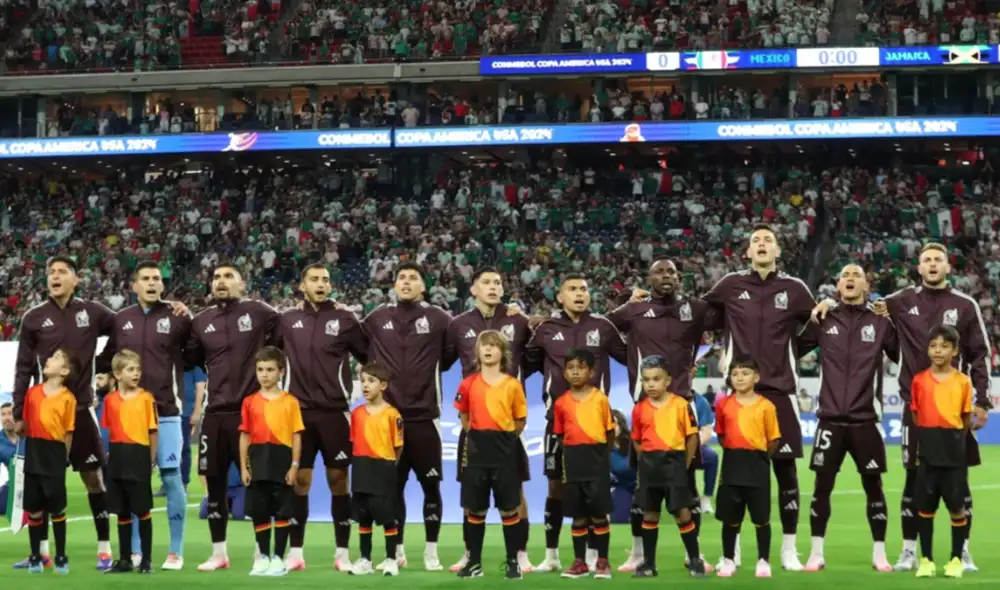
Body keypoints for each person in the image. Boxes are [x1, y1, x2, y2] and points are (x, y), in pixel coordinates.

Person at [812, 243, 991, 572]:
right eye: (927, 260)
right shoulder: (899, 301)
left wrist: (981, 400)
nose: (932, 264)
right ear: (919, 268)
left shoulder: (965, 305)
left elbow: (980, 354)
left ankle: (963, 551)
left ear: (947, 267)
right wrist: (829, 302)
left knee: (958, 480)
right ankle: (909, 550)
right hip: (915, 407)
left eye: (938, 260)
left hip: (955, 409)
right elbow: (861, 304)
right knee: (913, 478)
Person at [702, 225, 816, 571]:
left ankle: (788, 550)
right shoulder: (731, 285)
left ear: (778, 250)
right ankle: (732, 551)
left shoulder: (795, 289)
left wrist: (792, 352)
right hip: (739, 394)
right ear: (748, 252)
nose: (762, 244)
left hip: (780, 392)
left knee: (786, 471)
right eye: (756, 241)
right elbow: (701, 313)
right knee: (735, 472)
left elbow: (818, 324)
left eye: (768, 240)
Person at [611, 259, 721, 572]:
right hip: (645, 407)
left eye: (671, 271)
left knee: (688, 487)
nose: (666, 276)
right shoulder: (635, 309)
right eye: (659, 271)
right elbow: (604, 328)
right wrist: (630, 358)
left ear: (679, 277)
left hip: (682, 405)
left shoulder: (695, 309)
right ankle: (638, 554)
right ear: (649, 278)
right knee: (641, 488)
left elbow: (731, 317)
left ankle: (693, 555)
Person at [12, 256, 117, 570]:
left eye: (61, 272)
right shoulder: (34, 317)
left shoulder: (93, 312)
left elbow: (124, 327)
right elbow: (23, 367)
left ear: (75, 279)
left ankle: (104, 548)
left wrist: (105, 362)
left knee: (93, 478)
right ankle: (42, 553)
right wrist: (18, 411)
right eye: (51, 272)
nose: (54, 277)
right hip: (43, 414)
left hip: (81, 409)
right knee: (43, 482)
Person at [795, 264, 898, 572]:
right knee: (821, 488)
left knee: (874, 487)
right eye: (844, 276)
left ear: (866, 285)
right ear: (838, 286)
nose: (850, 279)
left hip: (866, 420)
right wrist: (814, 311)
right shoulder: (825, 319)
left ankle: (880, 553)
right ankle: (816, 553)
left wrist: (893, 315)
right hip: (829, 420)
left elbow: (904, 355)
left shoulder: (880, 322)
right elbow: (793, 347)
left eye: (857, 275)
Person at [524, 273, 627, 572]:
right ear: (560, 297)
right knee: (555, 488)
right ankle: (551, 555)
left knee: (594, 490)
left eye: (583, 288)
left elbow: (630, 357)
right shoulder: (546, 329)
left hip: (594, 427)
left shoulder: (603, 327)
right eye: (572, 289)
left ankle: (594, 555)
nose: (579, 293)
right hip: (557, 423)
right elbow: (525, 364)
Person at [96, 260, 192, 571]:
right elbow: (107, 358)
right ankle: (135, 551)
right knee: (132, 482)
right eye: (146, 278)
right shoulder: (121, 319)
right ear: (134, 285)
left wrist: (189, 314)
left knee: (171, 477)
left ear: (162, 285)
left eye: (156, 279)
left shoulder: (178, 318)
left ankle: (175, 551)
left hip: (166, 411)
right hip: (129, 416)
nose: (152, 283)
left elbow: (196, 354)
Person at [361, 262, 456, 571]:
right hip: (388, 421)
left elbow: (451, 353)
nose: (406, 282)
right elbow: (361, 351)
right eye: (401, 277)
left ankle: (431, 552)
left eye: (413, 278)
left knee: (431, 487)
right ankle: (397, 550)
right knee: (393, 488)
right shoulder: (376, 319)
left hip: (426, 418)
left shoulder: (440, 319)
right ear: (394, 285)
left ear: (423, 286)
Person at [186, 263, 280, 572]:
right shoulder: (201, 321)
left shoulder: (260, 312)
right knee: (214, 483)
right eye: (216, 277)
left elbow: (287, 335)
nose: (221, 282)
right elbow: (189, 357)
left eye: (228, 277)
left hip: (251, 413)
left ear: (242, 284)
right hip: (215, 414)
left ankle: (261, 552)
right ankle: (219, 553)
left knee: (257, 483)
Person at [277, 263, 368, 572]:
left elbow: (368, 356)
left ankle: (342, 553)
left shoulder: (345, 319)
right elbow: (267, 354)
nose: (321, 284)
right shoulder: (287, 320)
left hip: (335, 413)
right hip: (298, 413)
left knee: (338, 479)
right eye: (314, 279)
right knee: (299, 480)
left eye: (325, 280)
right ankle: (295, 552)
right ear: (302, 285)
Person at [447, 268, 533, 574]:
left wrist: (529, 318)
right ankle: (471, 555)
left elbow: (538, 350)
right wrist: (473, 429)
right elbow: (443, 358)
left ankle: (520, 554)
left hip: (507, 430)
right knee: (473, 497)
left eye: (498, 282)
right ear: (473, 289)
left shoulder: (517, 320)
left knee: (515, 494)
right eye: (486, 282)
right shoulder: (458, 324)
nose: (493, 287)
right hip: (475, 431)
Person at [454, 330, 528, 580]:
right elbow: (464, 415)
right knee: (475, 509)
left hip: (504, 451)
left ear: (502, 352)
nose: (488, 349)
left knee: (509, 509)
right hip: (476, 451)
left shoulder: (513, 385)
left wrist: (503, 438)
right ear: (477, 351)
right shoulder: (468, 383)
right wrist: (477, 436)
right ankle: (474, 563)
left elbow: (520, 420)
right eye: (484, 345)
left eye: (494, 346)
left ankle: (513, 563)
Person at [629, 356, 704, 578]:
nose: (651, 384)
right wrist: (645, 460)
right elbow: (636, 439)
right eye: (646, 380)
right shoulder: (639, 409)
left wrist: (684, 464)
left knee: (682, 513)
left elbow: (692, 437)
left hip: (674, 464)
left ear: (668, 381)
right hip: (650, 466)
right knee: (650, 513)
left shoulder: (681, 405)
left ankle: (694, 560)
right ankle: (649, 564)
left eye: (656, 379)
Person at [910, 325, 973, 579]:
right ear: (927, 349)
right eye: (933, 346)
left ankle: (956, 560)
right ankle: (926, 560)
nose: (938, 351)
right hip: (928, 450)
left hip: (953, 452)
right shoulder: (919, 381)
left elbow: (966, 418)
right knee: (925, 508)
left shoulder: (963, 382)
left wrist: (951, 438)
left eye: (945, 346)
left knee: (957, 508)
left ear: (955, 351)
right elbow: (916, 415)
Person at [238, 346, 305, 577]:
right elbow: (245, 435)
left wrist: (294, 465)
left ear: (281, 372)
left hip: (282, 460)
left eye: (269, 370)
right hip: (258, 461)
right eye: (260, 370)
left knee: (283, 511)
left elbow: (296, 435)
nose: (264, 375)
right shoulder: (249, 402)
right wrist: (244, 466)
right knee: (260, 511)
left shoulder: (291, 402)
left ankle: (278, 557)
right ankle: (263, 557)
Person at [714, 357, 782, 579]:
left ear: (756, 377)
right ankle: (729, 559)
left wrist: (758, 458)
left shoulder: (766, 406)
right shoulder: (723, 405)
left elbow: (773, 440)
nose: (740, 378)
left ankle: (763, 560)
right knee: (730, 518)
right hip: (732, 465)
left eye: (745, 373)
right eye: (735, 374)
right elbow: (721, 435)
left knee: (761, 518)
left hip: (757, 466)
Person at [553, 348, 614, 580]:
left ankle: (603, 561)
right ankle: (579, 562)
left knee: (598, 514)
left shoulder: (600, 399)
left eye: (581, 367)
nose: (575, 372)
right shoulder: (561, 403)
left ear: (591, 372)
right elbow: (560, 435)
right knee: (577, 515)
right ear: (564, 373)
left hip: (596, 462)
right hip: (573, 462)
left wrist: (600, 455)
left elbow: (609, 432)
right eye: (570, 368)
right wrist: (574, 451)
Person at [22, 349, 80, 575]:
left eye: (56, 358)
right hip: (34, 450)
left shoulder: (68, 398)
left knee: (57, 507)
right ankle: (35, 556)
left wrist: (64, 457)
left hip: (54, 453)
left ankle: (61, 557)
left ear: (64, 371)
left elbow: (68, 432)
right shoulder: (32, 393)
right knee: (34, 508)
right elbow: (27, 424)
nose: (48, 360)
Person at [101, 349, 159, 575]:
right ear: (117, 374)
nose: (136, 374)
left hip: (138, 457)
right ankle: (124, 559)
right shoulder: (110, 400)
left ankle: (146, 560)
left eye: (138, 369)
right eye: (130, 369)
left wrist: (151, 460)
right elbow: (108, 431)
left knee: (142, 510)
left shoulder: (146, 398)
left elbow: (153, 430)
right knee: (122, 511)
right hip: (117, 458)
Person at [348, 363, 404, 577]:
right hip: (361, 469)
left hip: (382, 469)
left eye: (371, 381)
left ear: (383, 385)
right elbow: (354, 441)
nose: (365, 385)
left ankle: (391, 559)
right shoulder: (356, 414)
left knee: (387, 518)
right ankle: (365, 559)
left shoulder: (392, 414)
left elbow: (398, 446)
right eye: (363, 381)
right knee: (364, 518)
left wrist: (387, 465)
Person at [609, 410, 636, 525]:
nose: (612, 427)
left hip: (641, 486)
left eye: (615, 423)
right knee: (619, 521)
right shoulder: (603, 449)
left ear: (621, 425)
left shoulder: (633, 442)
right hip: (622, 487)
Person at [182, 367, 207, 488]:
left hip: (186, 410)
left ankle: (183, 481)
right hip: (170, 410)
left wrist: (197, 411)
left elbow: (201, 386)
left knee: (184, 447)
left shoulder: (194, 364)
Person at [1, 402, 18, 511]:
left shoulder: (29, 435)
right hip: (14, 484)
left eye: (10, 413)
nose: (6, 418)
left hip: (34, 484)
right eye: (3, 414)